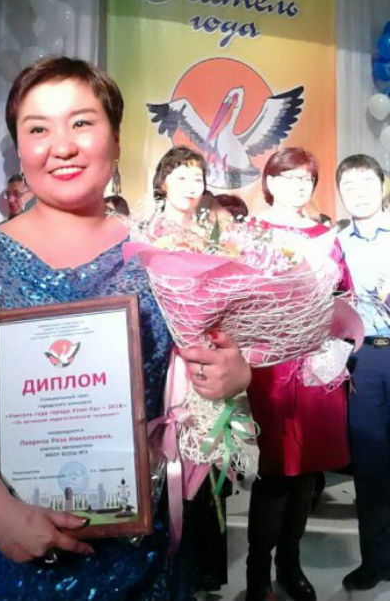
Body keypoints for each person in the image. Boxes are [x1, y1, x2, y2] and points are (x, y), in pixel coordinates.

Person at [0, 56, 251, 601]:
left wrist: (232, 381)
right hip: (23, 548)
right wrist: (0, 513)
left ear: (115, 140)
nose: (62, 145)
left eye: (81, 122)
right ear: (20, 150)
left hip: (145, 553)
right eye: (38, 129)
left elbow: (204, 381)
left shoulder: (163, 252)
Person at [245, 147, 352, 601]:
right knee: (276, 471)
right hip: (271, 367)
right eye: (288, 178)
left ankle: (290, 563)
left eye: (306, 180)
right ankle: (257, 574)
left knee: (308, 470)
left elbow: (343, 292)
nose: (298, 187)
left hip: (317, 364)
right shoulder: (250, 232)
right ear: (270, 182)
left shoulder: (325, 236)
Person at [151, 144, 231, 595]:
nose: (190, 185)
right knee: (169, 462)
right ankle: (168, 568)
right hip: (165, 364)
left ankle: (202, 569)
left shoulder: (213, 234)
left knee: (209, 458)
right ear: (162, 182)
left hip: (207, 359)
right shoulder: (146, 233)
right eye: (180, 176)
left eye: (197, 178)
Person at [336, 154, 390, 591]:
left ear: (383, 185)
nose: (358, 193)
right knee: (370, 464)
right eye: (349, 186)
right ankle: (375, 560)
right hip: (363, 359)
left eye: (366, 183)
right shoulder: (335, 245)